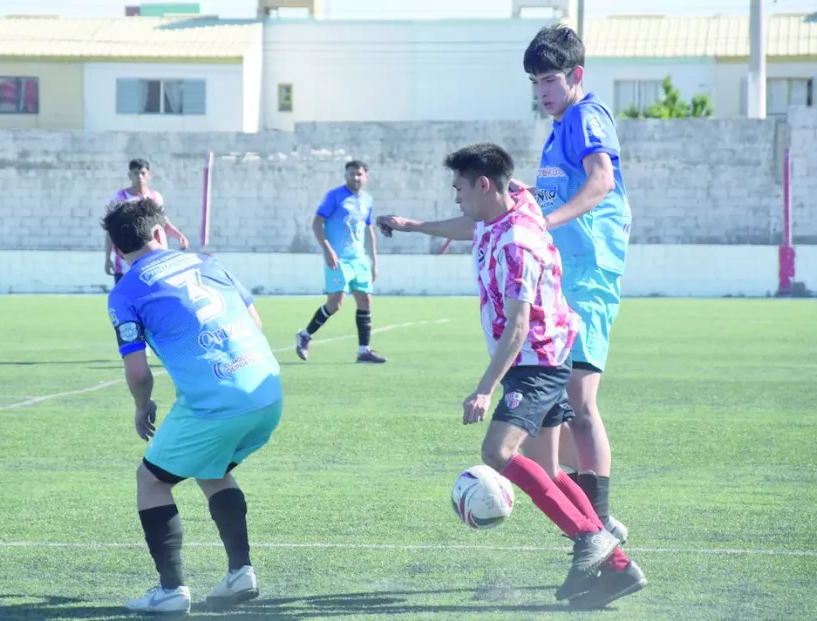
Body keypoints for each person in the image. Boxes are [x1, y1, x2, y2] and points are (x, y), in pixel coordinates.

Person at [376, 143, 645, 609]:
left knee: (497, 451)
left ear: (483, 185)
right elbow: (471, 224)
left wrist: (484, 390)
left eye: (459, 188)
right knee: (548, 470)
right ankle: (619, 569)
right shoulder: (511, 201)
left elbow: (519, 325)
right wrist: (415, 226)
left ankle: (589, 537)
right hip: (545, 355)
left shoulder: (517, 241)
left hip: (536, 361)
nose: (455, 197)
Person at [102, 197, 283, 614]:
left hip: (217, 404)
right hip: (266, 389)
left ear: (117, 250)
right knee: (211, 467)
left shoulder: (125, 292)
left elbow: (138, 374)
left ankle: (170, 592)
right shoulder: (208, 262)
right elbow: (255, 322)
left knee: (151, 480)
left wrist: (141, 406)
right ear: (161, 233)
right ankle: (241, 573)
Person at [514, 24, 635, 544]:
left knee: (579, 404)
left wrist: (548, 220)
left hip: (588, 272)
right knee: (563, 406)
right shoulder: (560, 126)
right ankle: (590, 520)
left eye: (549, 79)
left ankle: (600, 522)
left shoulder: (586, 115)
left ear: (575, 75)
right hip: (566, 276)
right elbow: (553, 197)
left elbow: (602, 179)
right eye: (534, 82)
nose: (541, 91)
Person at [295, 160, 386, 364]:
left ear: (366, 177)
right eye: (351, 174)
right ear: (346, 176)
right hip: (339, 259)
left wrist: (373, 261)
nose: (355, 178)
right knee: (335, 304)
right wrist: (327, 250)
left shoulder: (367, 201)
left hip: (359, 258)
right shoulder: (334, 196)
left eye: (359, 174)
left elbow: (368, 230)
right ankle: (305, 335)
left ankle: (363, 350)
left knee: (365, 301)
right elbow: (317, 223)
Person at [104, 158, 189, 285]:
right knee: (128, 301)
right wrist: (107, 258)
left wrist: (179, 236)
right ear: (129, 175)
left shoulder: (156, 198)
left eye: (143, 173)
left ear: (149, 174)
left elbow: (162, 223)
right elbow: (111, 231)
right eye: (135, 173)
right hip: (126, 264)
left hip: (154, 262)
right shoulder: (119, 198)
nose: (139, 177)